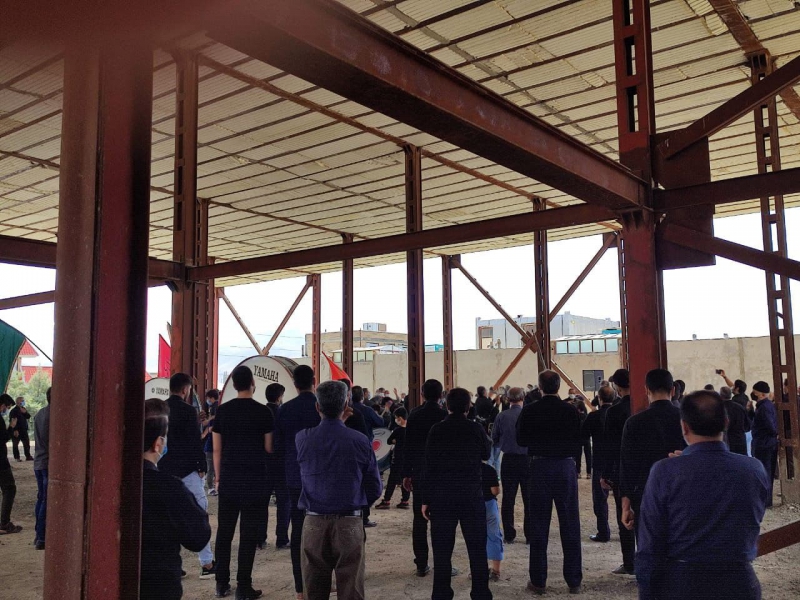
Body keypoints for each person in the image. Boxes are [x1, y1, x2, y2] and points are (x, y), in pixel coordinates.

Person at [636, 390, 770, 600]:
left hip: (683, 583)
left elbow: (650, 543)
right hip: (739, 582)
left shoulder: (664, 472)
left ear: (684, 426)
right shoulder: (754, 469)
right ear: (726, 423)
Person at [296, 380, 382, 600]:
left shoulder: (303, 438)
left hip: (314, 521)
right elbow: (374, 487)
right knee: (351, 589)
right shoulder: (360, 440)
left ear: (317, 406)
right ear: (346, 405)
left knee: (314, 589)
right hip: (349, 520)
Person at [423, 387, 492, 600]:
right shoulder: (475, 428)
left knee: (442, 551)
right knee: (477, 549)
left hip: (442, 497)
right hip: (471, 495)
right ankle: (481, 593)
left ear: (447, 405)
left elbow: (429, 466)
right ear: (469, 406)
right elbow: (486, 453)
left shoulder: (437, 429)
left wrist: (426, 499)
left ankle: (441, 593)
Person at [516, 370, 582, 595]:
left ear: (540, 387)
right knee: (570, 523)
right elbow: (579, 440)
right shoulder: (570, 410)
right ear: (559, 386)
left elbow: (521, 439)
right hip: (565, 467)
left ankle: (538, 581)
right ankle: (574, 580)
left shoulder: (530, 410)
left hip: (540, 467)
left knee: (538, 524)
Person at [212, 366, 274, 600]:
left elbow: (216, 449)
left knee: (224, 533)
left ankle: (221, 583)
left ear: (234, 385)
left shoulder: (223, 411)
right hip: (254, 479)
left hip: (229, 478)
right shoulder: (263, 412)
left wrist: (218, 477)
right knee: (248, 534)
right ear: (252, 384)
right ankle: (243, 586)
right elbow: (269, 447)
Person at [140, 398, 212, 600]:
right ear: (158, 444)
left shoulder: (109, 482)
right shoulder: (169, 487)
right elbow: (198, 537)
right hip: (159, 585)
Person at [159, 372, 216, 579]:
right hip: (187, 470)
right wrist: (202, 465)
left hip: (164, 469)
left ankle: (172, 564)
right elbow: (193, 441)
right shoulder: (189, 410)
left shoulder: (161, 409)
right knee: (199, 514)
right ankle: (207, 564)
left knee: (167, 518)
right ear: (185, 389)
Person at [618, 369, 686, 539]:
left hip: (645, 495)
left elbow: (627, 467)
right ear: (673, 390)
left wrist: (626, 506)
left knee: (648, 546)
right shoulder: (686, 420)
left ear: (647, 390)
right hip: (681, 494)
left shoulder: (634, 423)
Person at [276, 365, 321, 599]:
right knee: (322, 530)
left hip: (294, 476)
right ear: (314, 381)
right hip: (321, 478)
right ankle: (321, 583)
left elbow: (277, 446)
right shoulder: (320, 408)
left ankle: (300, 588)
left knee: (298, 531)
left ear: (294, 384)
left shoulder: (285, 410)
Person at [402, 378, 448, 577]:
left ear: (422, 394)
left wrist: (406, 473)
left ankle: (421, 563)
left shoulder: (414, 414)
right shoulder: (444, 415)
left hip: (420, 472)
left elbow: (408, 446)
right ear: (441, 395)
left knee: (419, 519)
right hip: (441, 474)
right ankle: (442, 563)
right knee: (441, 520)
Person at [601, 368, 636, 575]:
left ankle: (629, 562)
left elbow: (608, 445)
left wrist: (605, 473)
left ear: (616, 386)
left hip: (621, 471)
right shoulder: (641, 407)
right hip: (643, 468)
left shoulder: (614, 411)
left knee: (624, 515)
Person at [491, 386, 530, 545]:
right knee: (529, 498)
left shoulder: (502, 416)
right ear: (523, 398)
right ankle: (530, 534)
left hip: (509, 460)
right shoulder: (529, 414)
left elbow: (494, 438)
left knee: (508, 499)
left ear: (507, 399)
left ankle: (509, 534)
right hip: (528, 461)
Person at [581, 384, 614, 543]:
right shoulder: (620, 413)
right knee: (622, 498)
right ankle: (626, 530)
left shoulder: (594, 416)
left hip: (600, 460)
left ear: (599, 399)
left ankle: (603, 532)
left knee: (600, 499)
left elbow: (583, 435)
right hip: (618, 460)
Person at [260, 382, 290, 550]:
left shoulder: (260, 412)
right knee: (284, 502)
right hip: (281, 463)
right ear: (279, 397)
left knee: (262, 502)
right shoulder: (283, 413)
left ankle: (260, 538)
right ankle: (282, 538)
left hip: (263, 464)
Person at [749, 381, 778, 507]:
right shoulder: (765, 405)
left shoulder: (764, 407)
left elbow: (770, 426)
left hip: (764, 444)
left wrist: (773, 434)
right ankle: (766, 500)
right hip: (767, 443)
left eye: (754, 392)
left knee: (764, 473)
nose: (753, 394)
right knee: (767, 473)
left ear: (761, 394)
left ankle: (765, 501)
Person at [375, 406, 410, 509]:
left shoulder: (397, 430)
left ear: (400, 418)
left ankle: (386, 500)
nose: (395, 420)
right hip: (407, 459)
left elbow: (389, 441)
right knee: (405, 479)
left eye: (396, 418)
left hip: (397, 458)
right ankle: (405, 500)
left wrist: (396, 441)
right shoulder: (410, 429)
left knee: (392, 480)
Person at [33, 387, 51, 549]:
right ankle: (41, 537)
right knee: (46, 500)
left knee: (41, 498)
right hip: (47, 463)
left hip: (39, 462)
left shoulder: (40, 413)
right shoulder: (54, 415)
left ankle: (38, 534)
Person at [0, 394, 21, 535]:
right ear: (2, 405)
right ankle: (4, 523)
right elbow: (3, 438)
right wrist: (11, 427)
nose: (6, 410)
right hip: (1, 462)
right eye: (6, 407)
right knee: (9, 489)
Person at [481, 459, 503, 583]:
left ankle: (479, 569)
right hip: (489, 504)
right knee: (494, 536)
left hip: (473, 506)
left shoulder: (466, 469)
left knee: (476, 539)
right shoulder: (489, 470)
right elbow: (495, 491)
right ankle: (496, 571)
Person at [720, 385, 750, 456]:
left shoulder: (718, 409)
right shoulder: (740, 407)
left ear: (720, 396)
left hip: (726, 442)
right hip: (740, 441)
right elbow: (748, 426)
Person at [203, 389, 220, 496]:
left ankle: (211, 487)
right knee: (212, 468)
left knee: (211, 468)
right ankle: (211, 487)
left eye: (208, 398)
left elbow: (210, 427)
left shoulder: (215, 407)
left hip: (211, 445)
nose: (207, 400)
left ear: (212, 398)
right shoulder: (217, 407)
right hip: (212, 445)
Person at [9, 397, 32, 461]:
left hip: (24, 430)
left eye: (23, 400)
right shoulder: (13, 411)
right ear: (17, 402)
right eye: (22, 401)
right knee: (15, 444)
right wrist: (15, 430)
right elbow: (12, 421)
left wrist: (25, 412)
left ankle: (28, 456)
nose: (23, 402)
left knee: (26, 444)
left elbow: (28, 416)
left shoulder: (23, 409)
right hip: (17, 430)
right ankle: (17, 457)